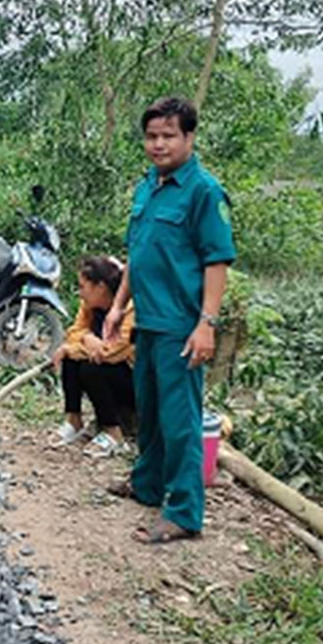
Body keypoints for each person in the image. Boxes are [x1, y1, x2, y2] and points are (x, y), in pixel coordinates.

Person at [103, 97, 234, 544]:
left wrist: (207, 324)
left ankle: (183, 512)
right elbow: (138, 255)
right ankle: (147, 484)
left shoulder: (203, 191)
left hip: (182, 324)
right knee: (152, 412)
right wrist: (119, 306)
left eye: (168, 136)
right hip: (148, 321)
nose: (158, 145)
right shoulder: (147, 187)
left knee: (180, 420)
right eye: (152, 136)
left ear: (189, 138)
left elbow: (217, 262)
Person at [51, 256, 136, 457]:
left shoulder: (131, 308)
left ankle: (113, 432)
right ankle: (74, 420)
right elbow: (74, 332)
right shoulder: (89, 304)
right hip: (103, 363)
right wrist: (88, 339)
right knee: (71, 360)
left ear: (100, 287)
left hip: (133, 379)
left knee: (90, 366)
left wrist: (74, 348)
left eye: (83, 287)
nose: (80, 293)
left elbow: (113, 353)